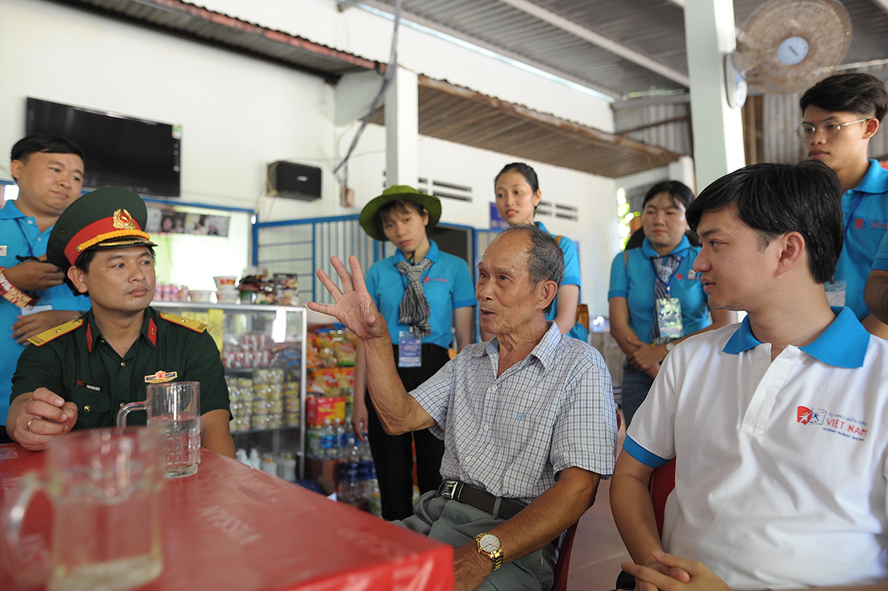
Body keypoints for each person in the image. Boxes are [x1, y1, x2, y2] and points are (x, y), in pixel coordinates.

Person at [611, 161, 888, 590]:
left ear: (787, 251)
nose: (697, 263)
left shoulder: (880, 378)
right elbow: (629, 476)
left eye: (714, 243)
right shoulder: (692, 359)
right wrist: (659, 569)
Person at [309, 224, 617, 591]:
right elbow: (398, 418)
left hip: (510, 542)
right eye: (483, 275)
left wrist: (481, 555)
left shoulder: (580, 365)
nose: (484, 291)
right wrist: (375, 340)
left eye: (503, 279)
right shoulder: (469, 360)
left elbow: (579, 491)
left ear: (544, 293)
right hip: (434, 516)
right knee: (336, 568)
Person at [7, 187, 235, 458]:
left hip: (169, 492)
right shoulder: (50, 349)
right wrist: (27, 423)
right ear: (80, 278)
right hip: (84, 493)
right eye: (119, 265)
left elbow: (213, 427)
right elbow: (24, 406)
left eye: (145, 261)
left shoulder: (191, 342)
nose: (138, 275)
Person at [352, 185, 476, 520]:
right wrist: (358, 400)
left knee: (436, 460)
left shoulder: (454, 268)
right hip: (385, 365)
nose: (399, 230)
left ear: (424, 217)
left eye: (406, 219)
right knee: (389, 462)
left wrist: (465, 391)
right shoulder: (378, 273)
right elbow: (366, 340)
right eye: (390, 224)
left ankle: (435, 535)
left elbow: (464, 336)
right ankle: (396, 537)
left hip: (437, 368)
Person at [608, 181, 733, 427]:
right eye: (651, 211)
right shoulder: (624, 261)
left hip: (697, 366)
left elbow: (723, 323)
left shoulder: (704, 257)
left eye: (670, 212)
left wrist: (664, 351)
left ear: (688, 220)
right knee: (643, 451)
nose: (658, 219)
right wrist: (655, 369)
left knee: (697, 444)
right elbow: (619, 325)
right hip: (641, 371)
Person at [0, 135, 92, 444]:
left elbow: (125, 309)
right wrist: (9, 279)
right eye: (55, 169)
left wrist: (73, 320)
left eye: (76, 177)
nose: (67, 181)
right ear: (17, 168)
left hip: (64, 407)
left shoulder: (89, 244)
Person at [799, 72, 888, 339]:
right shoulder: (797, 200)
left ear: (869, 128)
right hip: (807, 341)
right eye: (808, 129)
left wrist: (857, 345)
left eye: (831, 126)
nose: (816, 139)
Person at [493, 162, 585, 340]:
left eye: (517, 191)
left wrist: (531, 352)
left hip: (555, 351)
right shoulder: (496, 252)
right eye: (500, 194)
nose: (509, 201)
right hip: (509, 352)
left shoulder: (561, 246)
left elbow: (566, 319)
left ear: (536, 196)